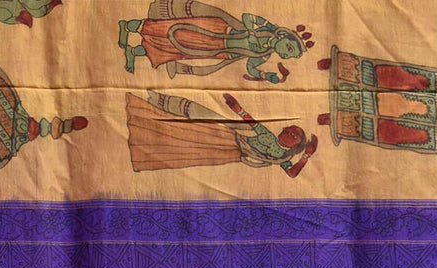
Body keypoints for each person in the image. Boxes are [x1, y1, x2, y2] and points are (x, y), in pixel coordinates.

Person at [126, 90, 317, 177]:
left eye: (294, 136)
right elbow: (252, 122)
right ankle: (149, 113)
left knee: (190, 150)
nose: (288, 132)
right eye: (290, 129)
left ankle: (144, 152)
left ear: (295, 147)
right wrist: (237, 107)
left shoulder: (283, 157)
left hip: (232, 152)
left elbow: (292, 173)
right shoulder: (268, 136)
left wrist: (306, 156)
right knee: (189, 131)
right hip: (229, 139)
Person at [118, 0, 313, 82]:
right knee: (171, 30)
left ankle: (134, 51)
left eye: (289, 55)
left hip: (217, 50)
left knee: (174, 49)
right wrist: (252, 32)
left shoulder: (264, 54)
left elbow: (250, 67)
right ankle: (127, 26)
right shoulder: (266, 29)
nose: (285, 54)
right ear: (283, 36)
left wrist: (264, 75)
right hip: (217, 31)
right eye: (289, 48)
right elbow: (247, 17)